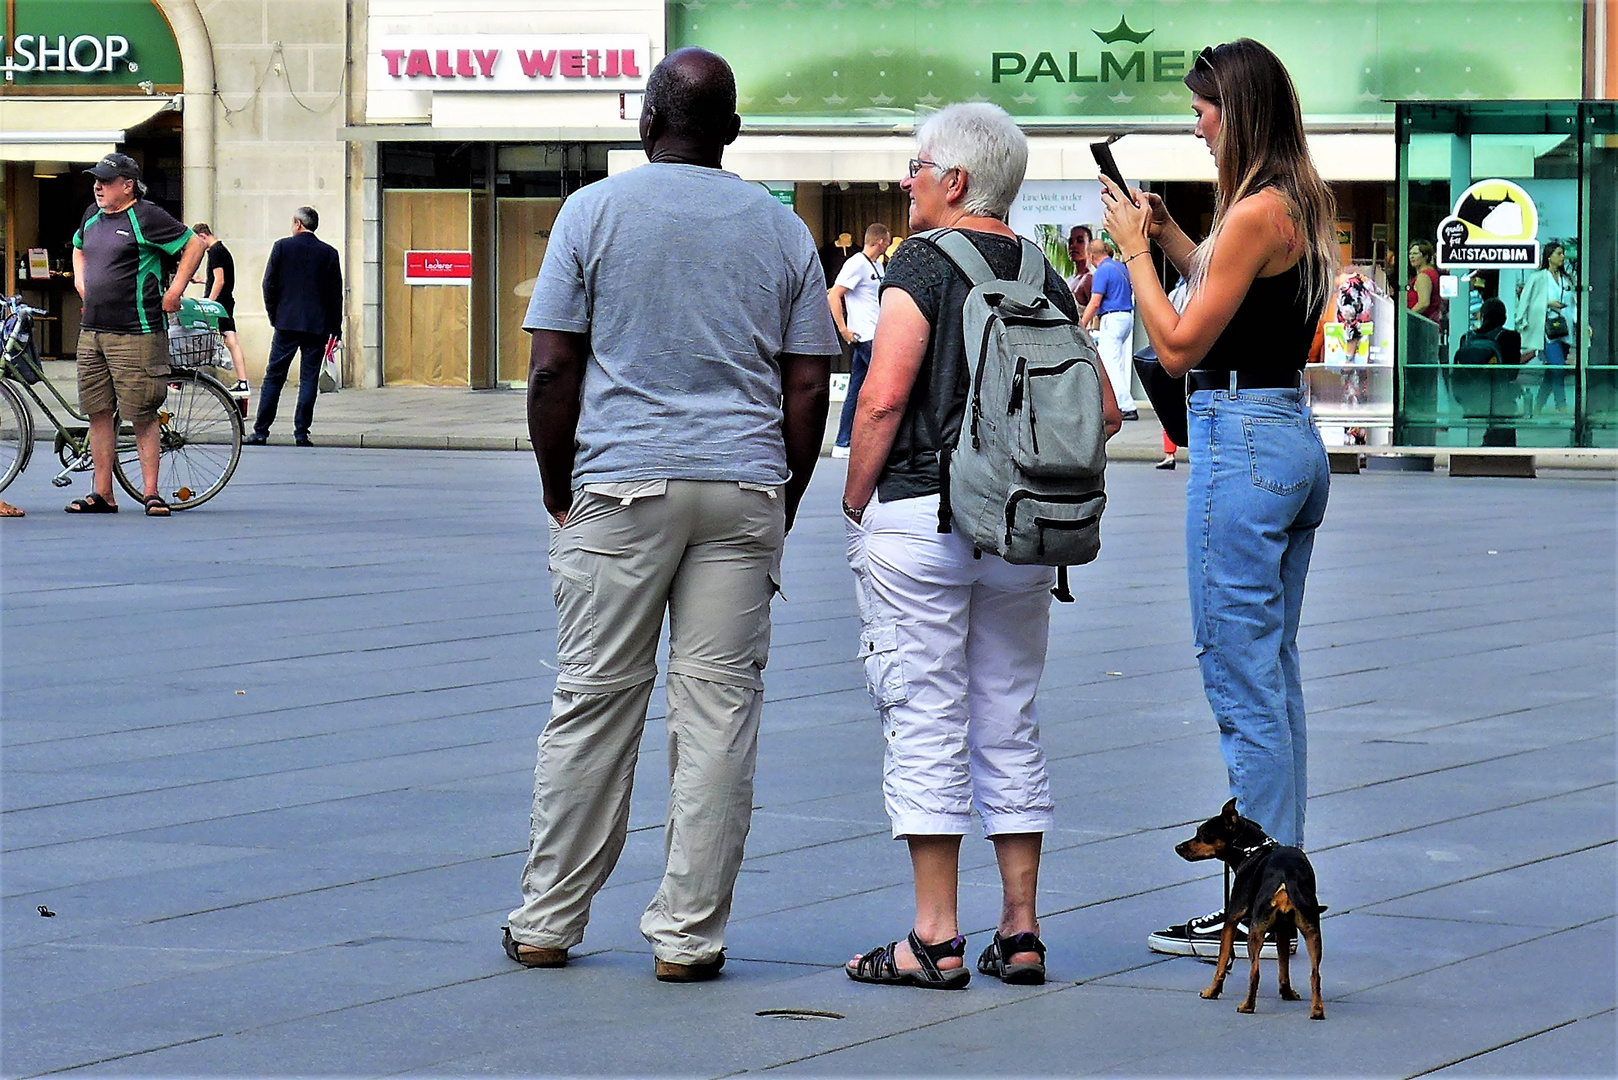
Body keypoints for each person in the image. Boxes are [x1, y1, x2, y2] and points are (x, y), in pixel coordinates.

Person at [503, 47, 838, 983]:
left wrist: (555, 483)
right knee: (720, 713)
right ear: (732, 132)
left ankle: (547, 920)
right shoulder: (780, 230)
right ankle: (690, 937)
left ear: (646, 122)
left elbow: (552, 370)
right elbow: (808, 382)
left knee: (594, 704)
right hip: (739, 488)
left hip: (620, 487)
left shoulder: (593, 213)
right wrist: (785, 490)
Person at [840, 102, 1121, 990]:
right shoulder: (1038, 267)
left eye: (916, 167)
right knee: (1009, 710)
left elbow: (883, 398)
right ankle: (1023, 931)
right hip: (1022, 529)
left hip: (922, 519)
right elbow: (1103, 407)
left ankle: (934, 937)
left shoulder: (918, 264)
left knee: (923, 711)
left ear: (954, 182)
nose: (907, 181)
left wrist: (853, 499)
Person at [1096, 39, 1336, 960]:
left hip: (1238, 441)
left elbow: (1183, 340)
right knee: (1273, 669)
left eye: (1202, 109)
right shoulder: (1298, 201)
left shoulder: (1253, 210)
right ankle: (1287, 881)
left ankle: (1259, 891)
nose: (1195, 125)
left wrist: (1132, 256)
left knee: (1238, 671)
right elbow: (1241, 297)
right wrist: (1168, 238)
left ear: (1236, 111)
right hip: (1291, 437)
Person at [66, 154, 207, 517]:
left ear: (127, 185)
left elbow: (194, 244)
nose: (98, 186)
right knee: (99, 413)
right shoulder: (92, 216)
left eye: (106, 181)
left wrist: (174, 291)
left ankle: (151, 493)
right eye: (96, 180)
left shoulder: (146, 216)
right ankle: (103, 494)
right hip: (93, 331)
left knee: (142, 413)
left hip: (137, 332)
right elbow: (79, 246)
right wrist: (81, 281)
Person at [247, 206, 342, 447]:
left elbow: (268, 284)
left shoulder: (282, 247)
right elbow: (335, 295)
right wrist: (336, 329)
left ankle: (261, 431)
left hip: (286, 322)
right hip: (317, 325)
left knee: (274, 377)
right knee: (309, 379)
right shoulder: (329, 253)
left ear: (298, 224)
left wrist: (274, 316)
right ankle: (301, 432)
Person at [829, 223, 890, 458]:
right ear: (880, 242)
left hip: (876, 332)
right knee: (884, 386)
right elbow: (835, 294)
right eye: (886, 241)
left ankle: (843, 443)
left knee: (856, 390)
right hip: (865, 336)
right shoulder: (856, 264)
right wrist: (843, 329)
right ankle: (871, 440)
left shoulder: (877, 264)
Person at [1449, 297, 1522, 447]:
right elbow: (1512, 373)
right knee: (1505, 426)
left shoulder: (1467, 338)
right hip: (1499, 400)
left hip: (1469, 398)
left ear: (1482, 317)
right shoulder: (1511, 337)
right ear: (1504, 318)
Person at [1081, 239, 1140, 419]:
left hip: (1112, 319)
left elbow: (1095, 301)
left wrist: (1081, 324)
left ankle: (1126, 406)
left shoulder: (1102, 271)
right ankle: (1120, 403)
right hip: (1126, 317)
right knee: (1116, 362)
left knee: (1110, 364)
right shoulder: (1120, 268)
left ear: (1091, 255)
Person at [1516, 241, 1575, 414]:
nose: (1562, 257)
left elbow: (1573, 304)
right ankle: (1561, 405)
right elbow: (1527, 301)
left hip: (1564, 329)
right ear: (1549, 256)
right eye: (1558, 253)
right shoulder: (1538, 278)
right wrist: (1548, 303)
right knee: (1558, 368)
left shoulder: (1567, 279)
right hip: (1547, 330)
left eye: (1563, 253)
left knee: (1552, 371)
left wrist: (1583, 324)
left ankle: (1538, 405)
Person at [190, 224, 249, 393]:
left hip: (219, 304)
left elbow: (220, 280)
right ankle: (243, 381)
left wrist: (209, 303)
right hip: (226, 301)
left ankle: (182, 376)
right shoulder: (222, 250)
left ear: (202, 237)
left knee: (195, 334)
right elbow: (220, 280)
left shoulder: (214, 252)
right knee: (231, 340)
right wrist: (202, 281)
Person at [1406, 240, 1441, 323]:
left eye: (1415, 254)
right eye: (1410, 254)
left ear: (1425, 256)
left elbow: (1424, 303)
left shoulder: (1424, 276)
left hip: (1423, 324)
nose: (1411, 257)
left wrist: (1406, 317)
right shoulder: (1430, 273)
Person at [1067, 224, 1094, 308]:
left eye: (1080, 241)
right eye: (1070, 241)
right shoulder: (1069, 280)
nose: (1073, 245)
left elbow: (1096, 313)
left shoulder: (1089, 278)